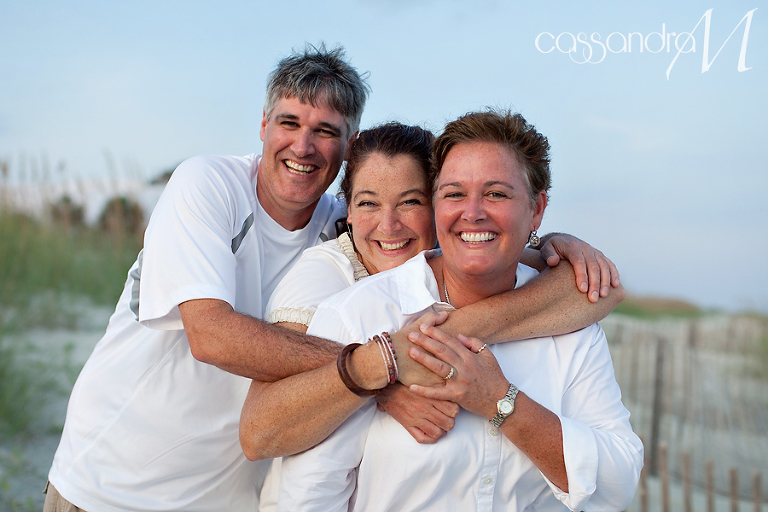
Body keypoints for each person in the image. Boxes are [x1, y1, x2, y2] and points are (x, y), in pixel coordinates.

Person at [45, 44, 616, 511]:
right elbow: (211, 336)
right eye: (289, 122)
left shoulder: (344, 224)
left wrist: (549, 245)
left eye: (325, 130)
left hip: (226, 496)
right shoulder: (208, 186)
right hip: (114, 485)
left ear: (348, 146)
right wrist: (385, 373)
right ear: (263, 125)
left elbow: (580, 291)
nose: (303, 145)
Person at [276, 110, 643, 512]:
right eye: (454, 194)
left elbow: (618, 484)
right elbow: (310, 495)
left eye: (496, 194)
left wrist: (501, 402)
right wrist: (383, 374)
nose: (473, 212)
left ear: (537, 209)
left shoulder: (569, 320)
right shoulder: (357, 313)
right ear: (437, 204)